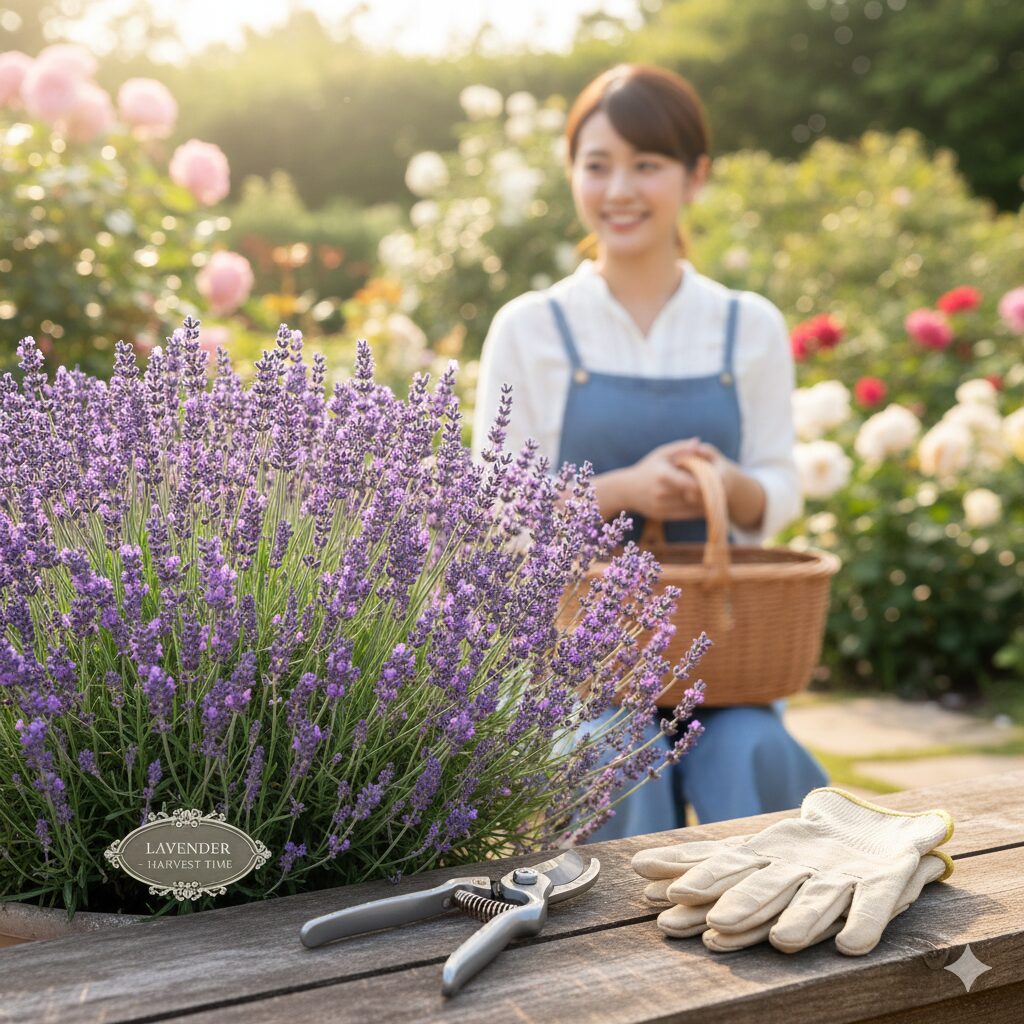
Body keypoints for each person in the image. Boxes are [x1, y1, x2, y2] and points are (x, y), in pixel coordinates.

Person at [471, 64, 827, 839]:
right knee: (612, 750)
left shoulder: (746, 326)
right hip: (578, 664)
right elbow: (497, 509)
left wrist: (726, 484)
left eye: (647, 165)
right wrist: (622, 489)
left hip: (725, 658)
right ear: (572, 174)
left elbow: (779, 488)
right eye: (597, 166)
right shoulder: (532, 328)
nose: (619, 189)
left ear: (695, 176)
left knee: (755, 750)